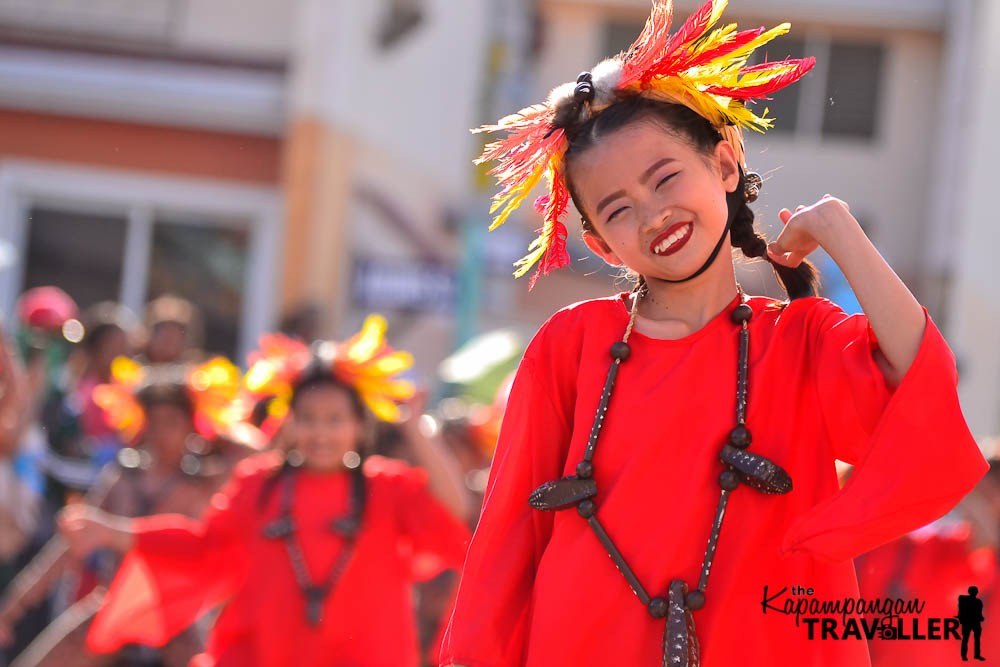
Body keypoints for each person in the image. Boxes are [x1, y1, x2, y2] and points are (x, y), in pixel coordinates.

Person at [440, 1, 989, 666]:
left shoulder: (800, 340)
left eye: (665, 176)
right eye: (618, 208)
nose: (652, 213)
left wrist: (843, 232)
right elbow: (506, 540)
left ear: (725, 166)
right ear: (601, 244)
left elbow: (920, 386)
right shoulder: (570, 343)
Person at [59, 316, 472, 667]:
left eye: (334, 419)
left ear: (360, 425)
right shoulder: (258, 483)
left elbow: (455, 510)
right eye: (308, 418)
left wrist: (416, 428)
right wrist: (113, 531)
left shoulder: (387, 486)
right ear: (289, 421)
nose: (321, 432)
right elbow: (202, 546)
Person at [1, 357, 248, 666]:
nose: (161, 433)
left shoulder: (209, 483)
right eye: (153, 422)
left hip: (177, 620)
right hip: (112, 606)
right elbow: (71, 545)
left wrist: (214, 432)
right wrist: (16, 604)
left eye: (172, 422)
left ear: (191, 424)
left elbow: (257, 456)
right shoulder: (122, 477)